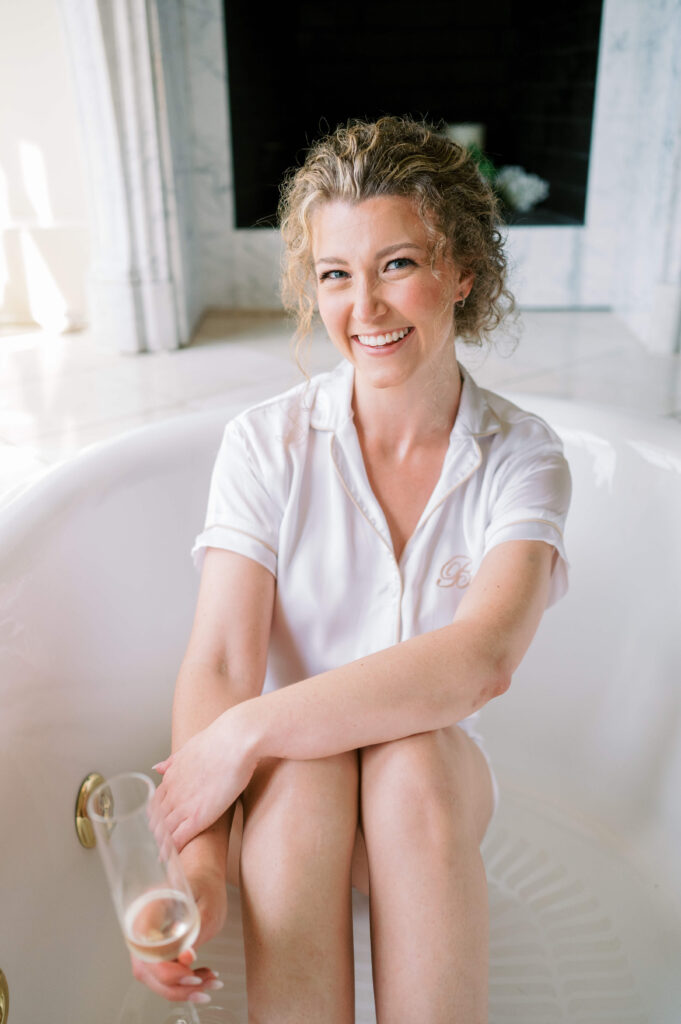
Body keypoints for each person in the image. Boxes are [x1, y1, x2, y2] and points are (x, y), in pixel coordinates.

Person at [133, 115, 571, 1022]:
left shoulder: (523, 456)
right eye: (335, 275)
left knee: (407, 759)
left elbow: (481, 658)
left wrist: (244, 734)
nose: (363, 308)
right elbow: (218, 659)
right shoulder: (266, 444)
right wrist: (204, 868)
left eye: (397, 265)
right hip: (297, 803)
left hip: (431, 796)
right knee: (307, 776)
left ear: (462, 274)